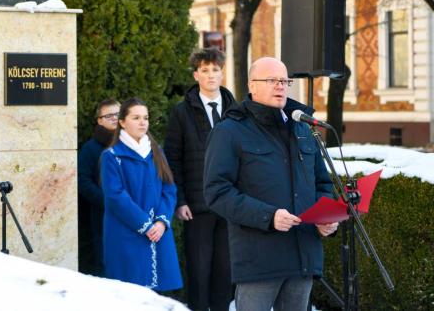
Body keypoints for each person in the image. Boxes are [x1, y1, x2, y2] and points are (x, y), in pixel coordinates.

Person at [204, 57, 336, 311]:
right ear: (252, 85)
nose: (280, 86)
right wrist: (269, 216)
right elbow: (217, 192)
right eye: (272, 80)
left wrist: (324, 218)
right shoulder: (230, 131)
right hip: (259, 261)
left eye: (284, 81)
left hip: (303, 256)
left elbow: (322, 183)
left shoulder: (303, 128)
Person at [164, 48, 235, 311]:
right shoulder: (181, 112)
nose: (211, 75)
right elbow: (173, 159)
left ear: (222, 73)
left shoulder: (237, 111)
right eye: (205, 70)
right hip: (196, 206)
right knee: (199, 270)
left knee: (225, 272)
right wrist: (180, 200)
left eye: (215, 69)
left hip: (231, 204)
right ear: (196, 75)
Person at [100, 97, 182, 292]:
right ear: (122, 122)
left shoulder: (157, 152)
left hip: (158, 233)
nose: (142, 122)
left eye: (145, 118)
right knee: (130, 294)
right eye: (136, 118)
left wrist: (161, 222)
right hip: (126, 235)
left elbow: (169, 189)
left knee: (158, 295)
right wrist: (145, 225)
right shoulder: (111, 156)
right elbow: (115, 196)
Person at [77, 98, 120, 276]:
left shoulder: (135, 143)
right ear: (99, 120)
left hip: (134, 217)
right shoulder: (90, 148)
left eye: (118, 114)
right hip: (104, 217)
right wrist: (107, 202)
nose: (115, 118)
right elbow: (83, 181)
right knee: (107, 267)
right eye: (109, 115)